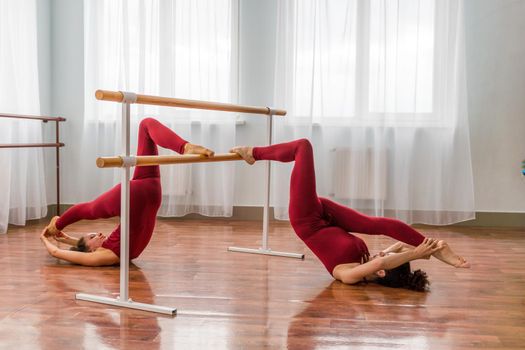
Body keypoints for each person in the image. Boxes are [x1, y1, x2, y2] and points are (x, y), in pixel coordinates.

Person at [230, 139, 470, 291]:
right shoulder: (369, 261)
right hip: (326, 216)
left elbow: (383, 261)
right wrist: (427, 251)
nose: (380, 254)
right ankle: (439, 248)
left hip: (306, 219)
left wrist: (416, 253)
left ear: (381, 273)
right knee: (378, 224)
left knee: (302, 147)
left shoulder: (348, 275)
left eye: (381, 263)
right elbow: (391, 251)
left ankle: (254, 153)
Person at [40, 118, 214, 266]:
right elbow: (56, 252)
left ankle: (185, 147)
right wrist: (45, 238)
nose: (99, 233)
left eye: (94, 234)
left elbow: (80, 246)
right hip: (140, 195)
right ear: (92, 250)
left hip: (147, 193)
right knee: (89, 209)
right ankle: (58, 223)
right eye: (93, 236)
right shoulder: (102, 256)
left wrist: (65, 238)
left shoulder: (106, 247)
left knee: (146, 125)